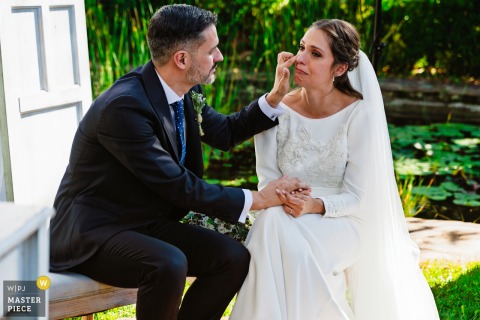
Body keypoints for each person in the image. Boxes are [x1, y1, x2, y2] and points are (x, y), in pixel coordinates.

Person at [48, 4, 308, 320]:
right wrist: (259, 198)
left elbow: (224, 133)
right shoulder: (125, 108)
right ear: (182, 59)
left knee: (232, 257)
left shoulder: (183, 89)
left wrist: (276, 96)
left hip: (145, 223)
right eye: (211, 50)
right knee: (168, 263)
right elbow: (177, 185)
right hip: (94, 232)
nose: (221, 57)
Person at [230, 19, 440, 320]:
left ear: (339, 68)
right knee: (273, 224)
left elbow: (358, 196)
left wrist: (313, 205)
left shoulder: (358, 115)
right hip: (283, 211)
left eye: (315, 54)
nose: (300, 58)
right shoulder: (275, 110)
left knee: (273, 231)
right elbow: (268, 179)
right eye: (302, 47)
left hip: (341, 220)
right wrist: (288, 200)